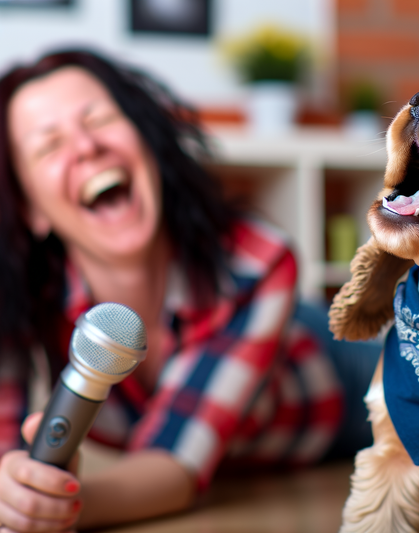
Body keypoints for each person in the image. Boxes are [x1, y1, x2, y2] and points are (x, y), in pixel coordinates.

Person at [0, 47, 381, 532]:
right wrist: (18, 489)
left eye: (97, 119)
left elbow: (174, 463)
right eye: (48, 145)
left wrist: (67, 504)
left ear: (147, 140)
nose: (85, 147)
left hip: (334, 379)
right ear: (30, 207)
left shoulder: (254, 263)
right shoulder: (18, 295)